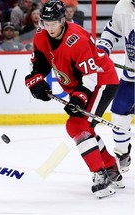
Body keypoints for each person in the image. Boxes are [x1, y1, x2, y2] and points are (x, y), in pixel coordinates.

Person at [24, 0, 121, 199]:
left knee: (76, 126)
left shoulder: (77, 39)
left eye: (53, 23)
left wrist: (78, 99)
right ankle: (111, 168)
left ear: (62, 20)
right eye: (45, 23)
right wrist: (36, 80)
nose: (49, 28)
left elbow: (90, 77)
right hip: (80, 85)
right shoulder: (41, 35)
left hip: (102, 80)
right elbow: (40, 64)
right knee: (85, 128)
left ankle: (101, 174)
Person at [96, 0, 134, 173]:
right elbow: (110, 33)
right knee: (118, 114)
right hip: (131, 77)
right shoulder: (123, 6)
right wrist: (102, 53)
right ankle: (122, 154)